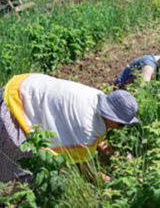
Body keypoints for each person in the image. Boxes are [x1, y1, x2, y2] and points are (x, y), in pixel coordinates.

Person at [0, 73, 139, 183]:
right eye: (121, 124)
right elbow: (85, 167)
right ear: (112, 117)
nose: (121, 129)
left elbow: (97, 142)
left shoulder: (97, 97)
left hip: (23, 86)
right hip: (16, 110)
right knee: (28, 169)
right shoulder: (86, 129)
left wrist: (116, 157)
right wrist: (108, 182)